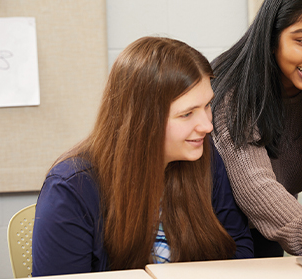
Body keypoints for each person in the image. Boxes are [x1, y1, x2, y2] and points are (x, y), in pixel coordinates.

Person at [32, 37, 254, 276]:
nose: (207, 126)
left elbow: (238, 250)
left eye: (207, 105)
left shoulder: (203, 157)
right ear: (142, 120)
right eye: (187, 114)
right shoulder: (71, 188)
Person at [210, 0, 302, 257]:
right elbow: (255, 185)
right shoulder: (233, 91)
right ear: (272, 40)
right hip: (217, 238)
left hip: (269, 234)